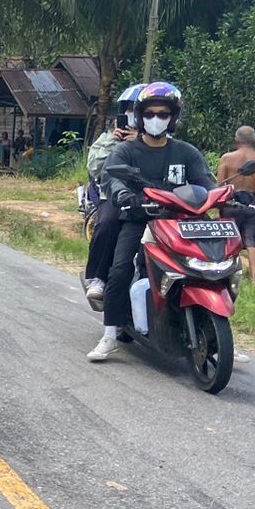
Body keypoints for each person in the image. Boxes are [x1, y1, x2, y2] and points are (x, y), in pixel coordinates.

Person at [88, 81, 212, 362]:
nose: (156, 119)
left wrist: (225, 195)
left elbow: (205, 181)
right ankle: (109, 334)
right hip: (139, 218)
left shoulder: (186, 152)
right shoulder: (126, 151)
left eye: (163, 114)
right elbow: (111, 177)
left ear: (173, 118)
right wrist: (125, 196)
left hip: (180, 222)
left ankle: (213, 328)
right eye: (151, 114)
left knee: (208, 267)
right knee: (119, 270)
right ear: (140, 117)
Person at [81, 83, 144, 304]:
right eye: (128, 109)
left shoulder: (165, 143)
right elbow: (95, 168)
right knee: (107, 223)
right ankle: (98, 276)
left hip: (156, 199)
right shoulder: (109, 139)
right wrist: (114, 142)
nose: (131, 114)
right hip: (116, 197)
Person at [217, 125, 255, 281]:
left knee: (227, 236)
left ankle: (225, 273)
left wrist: (219, 205)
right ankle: (254, 278)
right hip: (253, 201)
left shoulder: (226, 158)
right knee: (252, 239)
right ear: (254, 140)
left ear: (236, 141)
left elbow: (220, 185)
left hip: (231, 200)